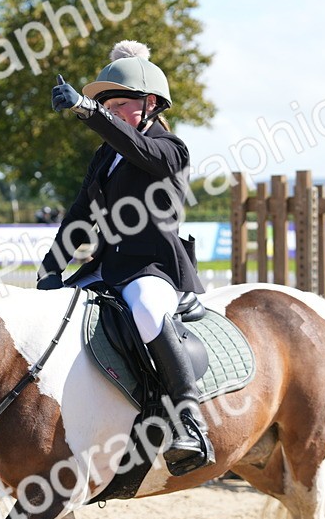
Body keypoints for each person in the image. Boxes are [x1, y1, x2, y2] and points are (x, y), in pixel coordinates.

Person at [40, 40, 212, 477]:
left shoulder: (170, 149)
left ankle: (188, 420)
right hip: (106, 267)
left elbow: (139, 148)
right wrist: (51, 268)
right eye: (107, 105)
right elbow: (80, 214)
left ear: (150, 104)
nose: (112, 111)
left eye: (120, 105)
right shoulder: (105, 157)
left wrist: (87, 109)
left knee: (148, 312)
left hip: (152, 268)